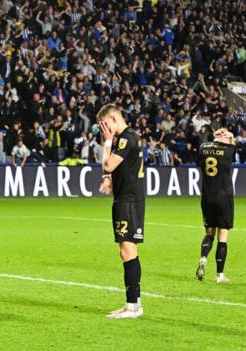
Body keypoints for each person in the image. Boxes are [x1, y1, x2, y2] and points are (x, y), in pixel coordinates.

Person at [98, 104, 145, 319]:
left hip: (129, 201)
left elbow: (107, 165)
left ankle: (133, 306)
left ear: (114, 118)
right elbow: (108, 169)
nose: (104, 130)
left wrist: (107, 143)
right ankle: (133, 304)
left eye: (105, 125)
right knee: (125, 251)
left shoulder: (126, 139)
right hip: (124, 199)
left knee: (128, 251)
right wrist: (108, 179)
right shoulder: (125, 139)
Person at [195, 128, 237, 283]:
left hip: (207, 197)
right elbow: (232, 147)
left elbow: (198, 161)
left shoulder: (204, 148)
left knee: (209, 233)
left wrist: (216, 138)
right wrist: (230, 137)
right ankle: (220, 275)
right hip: (224, 197)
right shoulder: (228, 150)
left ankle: (203, 257)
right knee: (223, 238)